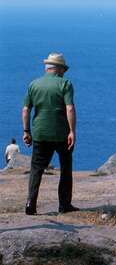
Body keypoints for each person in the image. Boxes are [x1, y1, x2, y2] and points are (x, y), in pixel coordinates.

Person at [22, 53, 79, 215]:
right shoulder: (65, 84)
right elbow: (69, 108)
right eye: (63, 69)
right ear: (59, 69)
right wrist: (72, 131)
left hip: (40, 133)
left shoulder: (33, 84)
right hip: (62, 134)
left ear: (47, 68)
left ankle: (30, 204)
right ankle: (64, 205)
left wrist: (26, 131)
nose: (64, 73)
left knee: (36, 169)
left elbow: (26, 109)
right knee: (66, 168)